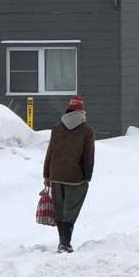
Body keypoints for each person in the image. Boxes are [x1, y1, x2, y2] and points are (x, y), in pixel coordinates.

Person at [43, 95, 95, 253]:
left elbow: (50, 151)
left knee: (59, 210)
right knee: (70, 211)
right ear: (82, 112)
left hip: (56, 175)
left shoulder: (57, 128)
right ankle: (65, 243)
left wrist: (47, 175)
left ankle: (62, 242)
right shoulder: (87, 131)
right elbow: (88, 156)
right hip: (75, 177)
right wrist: (87, 176)